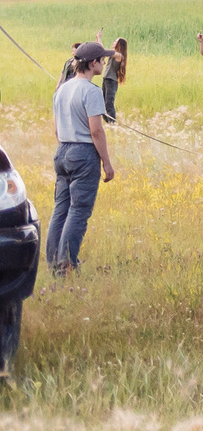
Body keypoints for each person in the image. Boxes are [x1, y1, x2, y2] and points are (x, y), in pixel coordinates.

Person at [49, 42, 116, 274]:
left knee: (61, 209)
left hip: (63, 150)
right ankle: (66, 264)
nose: (105, 62)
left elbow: (57, 130)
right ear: (93, 63)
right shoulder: (92, 91)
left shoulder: (62, 89)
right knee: (79, 210)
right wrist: (106, 162)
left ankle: (53, 262)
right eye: (102, 59)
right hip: (84, 153)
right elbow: (96, 130)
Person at [103, 37, 128, 120]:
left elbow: (103, 51)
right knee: (103, 104)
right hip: (106, 79)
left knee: (109, 104)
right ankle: (109, 123)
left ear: (119, 45)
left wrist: (99, 39)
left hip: (111, 81)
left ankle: (112, 123)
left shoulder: (118, 55)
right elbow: (102, 52)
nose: (113, 43)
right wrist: (98, 39)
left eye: (115, 42)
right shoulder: (114, 54)